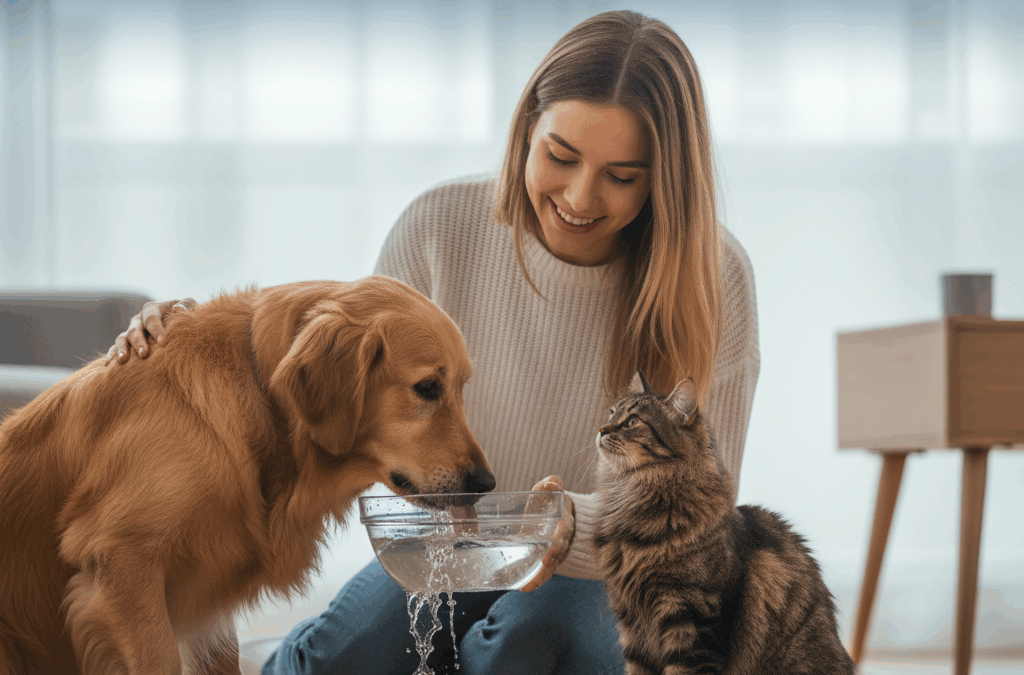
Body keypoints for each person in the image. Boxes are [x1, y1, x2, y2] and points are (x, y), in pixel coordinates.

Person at [106, 9, 759, 675]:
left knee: (526, 643)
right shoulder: (437, 226)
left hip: (606, 577)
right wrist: (186, 343)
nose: (579, 197)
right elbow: (337, 395)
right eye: (560, 156)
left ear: (664, 178)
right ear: (526, 129)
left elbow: (705, 513)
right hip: (445, 546)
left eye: (622, 175)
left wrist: (561, 527)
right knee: (341, 656)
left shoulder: (716, 279)